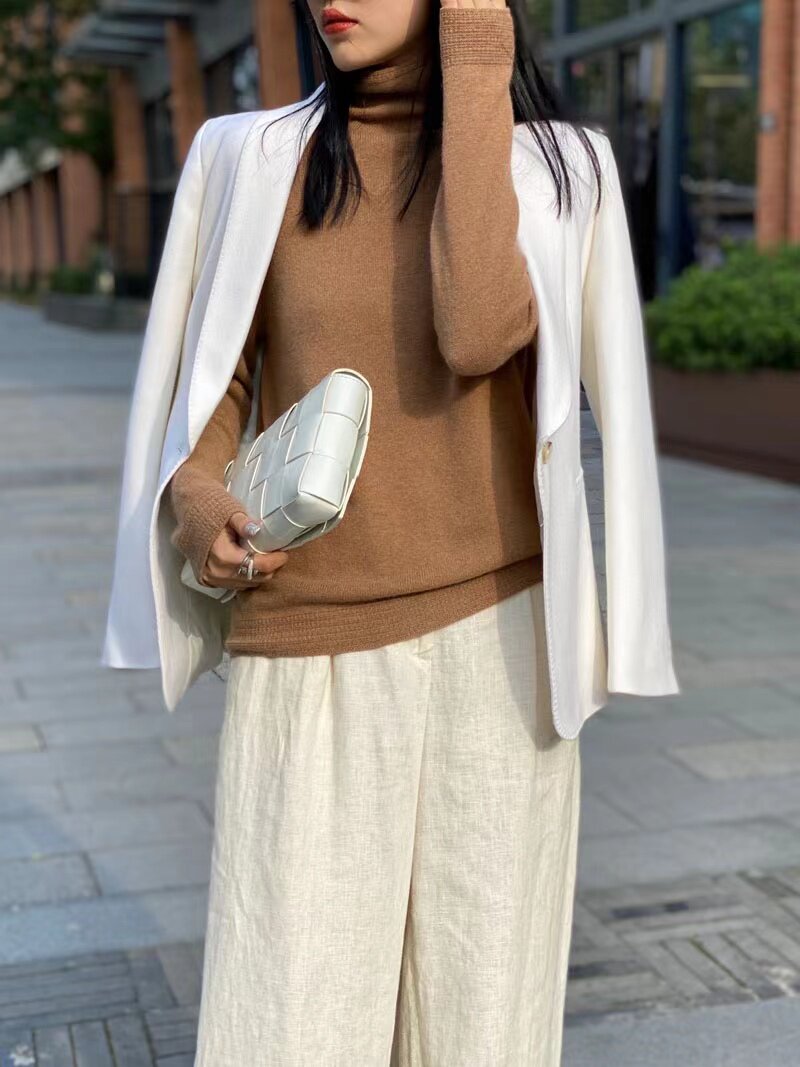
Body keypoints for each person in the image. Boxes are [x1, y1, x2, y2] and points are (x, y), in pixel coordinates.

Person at [101, 1, 680, 1063]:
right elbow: (214, 383)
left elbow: (477, 330)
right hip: (307, 645)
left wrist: (474, 62)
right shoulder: (250, 156)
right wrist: (198, 501)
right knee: (289, 1022)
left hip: (500, 646)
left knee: (482, 1028)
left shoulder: (560, 169)